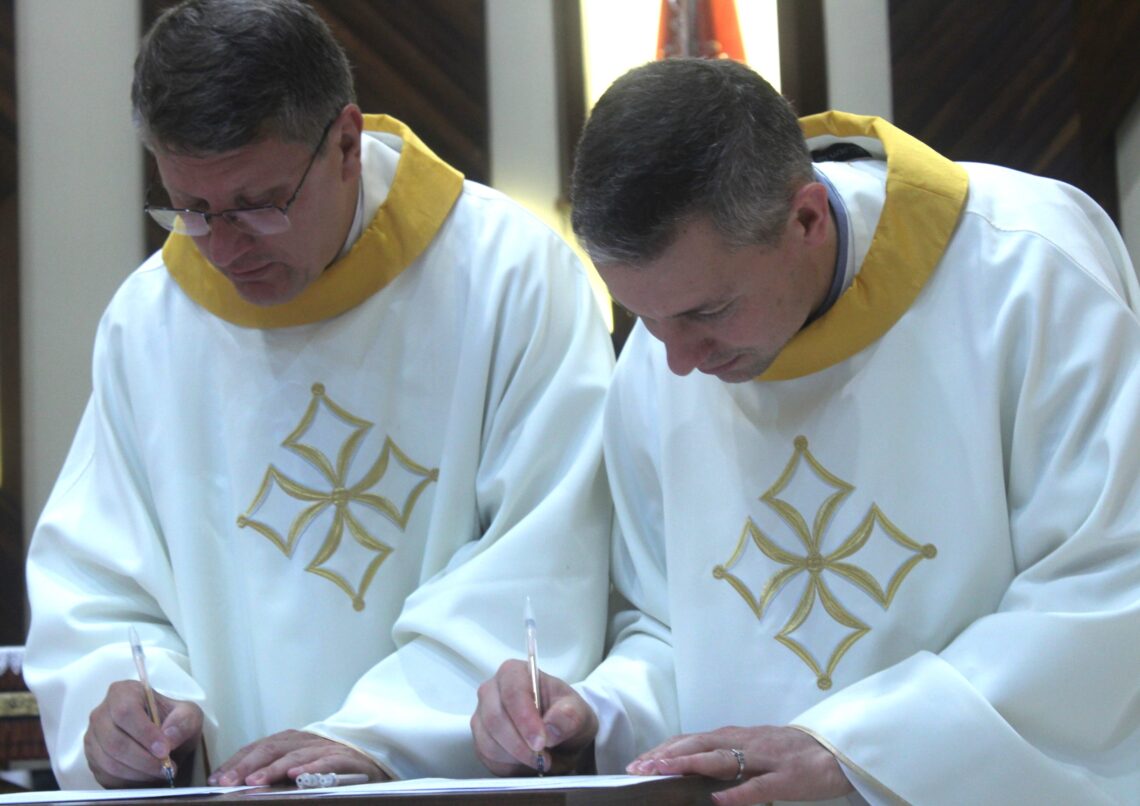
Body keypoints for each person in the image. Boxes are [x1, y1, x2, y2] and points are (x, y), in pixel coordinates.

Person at [471, 57, 1140, 805]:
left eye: (706, 313)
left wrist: (865, 754)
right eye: (645, 320)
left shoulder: (1031, 269)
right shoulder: (658, 357)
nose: (677, 363)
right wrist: (593, 716)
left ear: (808, 219)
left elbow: (1108, 587)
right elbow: (666, 627)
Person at [23, 0, 614, 790]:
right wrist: (133, 705)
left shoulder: (511, 275)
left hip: (443, 783)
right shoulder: (151, 318)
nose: (223, 248)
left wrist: (380, 736)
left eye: (259, 205)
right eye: (193, 209)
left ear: (345, 141)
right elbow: (98, 583)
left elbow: (547, 550)